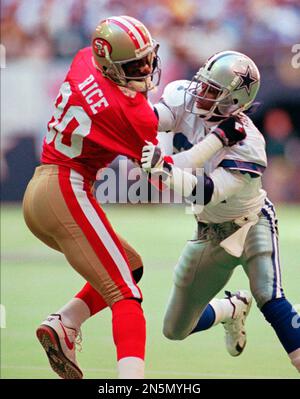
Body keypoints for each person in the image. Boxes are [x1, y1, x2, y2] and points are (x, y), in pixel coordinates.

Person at [141, 50, 300, 373]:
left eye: (213, 91)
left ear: (235, 101)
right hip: (208, 233)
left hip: (251, 224)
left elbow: (208, 192)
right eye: (203, 84)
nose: (201, 93)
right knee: (174, 329)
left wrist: (165, 170)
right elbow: (149, 119)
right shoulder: (183, 96)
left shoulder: (248, 142)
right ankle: (231, 308)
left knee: (271, 299)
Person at [22, 15, 161, 379]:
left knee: (131, 265)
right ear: (114, 65)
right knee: (126, 295)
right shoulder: (133, 114)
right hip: (67, 188)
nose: (144, 69)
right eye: (135, 65)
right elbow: (160, 173)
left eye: (147, 59)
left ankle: (65, 322)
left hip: (39, 188)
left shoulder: (85, 57)